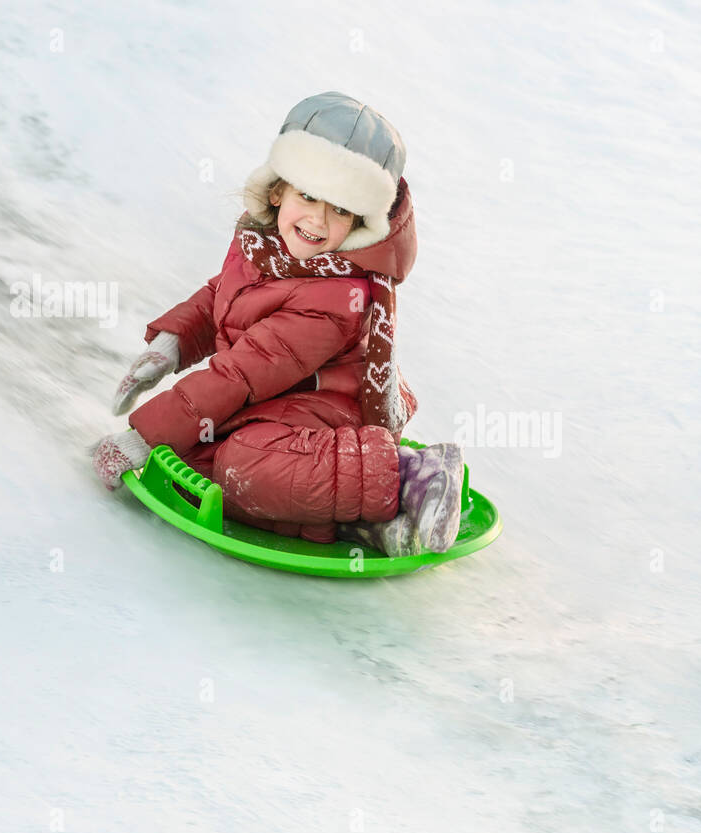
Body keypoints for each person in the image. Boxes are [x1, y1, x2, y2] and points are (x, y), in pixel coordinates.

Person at [90, 91, 464, 557]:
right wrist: (170, 346)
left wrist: (142, 438)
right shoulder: (264, 246)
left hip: (326, 414)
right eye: (308, 196)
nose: (318, 220)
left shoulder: (337, 299)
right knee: (199, 464)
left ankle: (411, 475)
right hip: (274, 407)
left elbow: (242, 371)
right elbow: (221, 298)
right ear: (277, 190)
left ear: (361, 223)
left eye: (341, 209)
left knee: (241, 465)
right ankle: (365, 522)